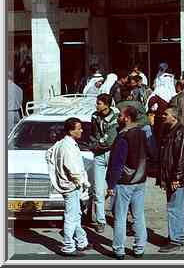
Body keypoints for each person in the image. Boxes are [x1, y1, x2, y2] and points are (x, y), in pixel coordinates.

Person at [106, 106, 151, 260]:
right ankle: (140, 247)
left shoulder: (123, 137)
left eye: (120, 115)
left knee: (120, 216)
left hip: (124, 182)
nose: (118, 117)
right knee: (139, 215)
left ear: (126, 118)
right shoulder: (142, 133)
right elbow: (148, 155)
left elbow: (116, 163)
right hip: (140, 180)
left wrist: (111, 184)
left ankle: (119, 249)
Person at [45, 117, 92, 256]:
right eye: (79, 128)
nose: (81, 130)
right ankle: (68, 246)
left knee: (76, 215)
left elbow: (49, 155)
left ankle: (81, 241)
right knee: (71, 217)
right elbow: (72, 168)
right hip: (71, 186)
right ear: (71, 131)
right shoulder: (67, 146)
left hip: (70, 185)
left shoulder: (62, 144)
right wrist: (81, 182)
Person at [158, 107, 184, 253]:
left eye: (166, 114)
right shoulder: (171, 131)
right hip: (171, 176)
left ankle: (177, 239)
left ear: (174, 117)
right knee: (174, 206)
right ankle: (176, 235)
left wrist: (176, 178)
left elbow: (182, 158)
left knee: (174, 208)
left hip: (176, 177)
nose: (163, 116)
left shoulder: (180, 133)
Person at [89, 93, 119, 233]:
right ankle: (101, 220)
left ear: (107, 105)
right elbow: (93, 136)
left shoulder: (114, 118)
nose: (97, 105)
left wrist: (97, 144)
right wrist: (97, 144)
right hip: (99, 155)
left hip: (112, 155)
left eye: (99, 103)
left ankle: (119, 216)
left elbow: (110, 140)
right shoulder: (95, 116)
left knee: (115, 188)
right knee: (98, 190)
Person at [147, 71, 176, 150]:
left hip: (159, 119)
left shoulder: (158, 91)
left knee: (159, 138)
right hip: (170, 119)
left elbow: (150, 103)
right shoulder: (173, 92)